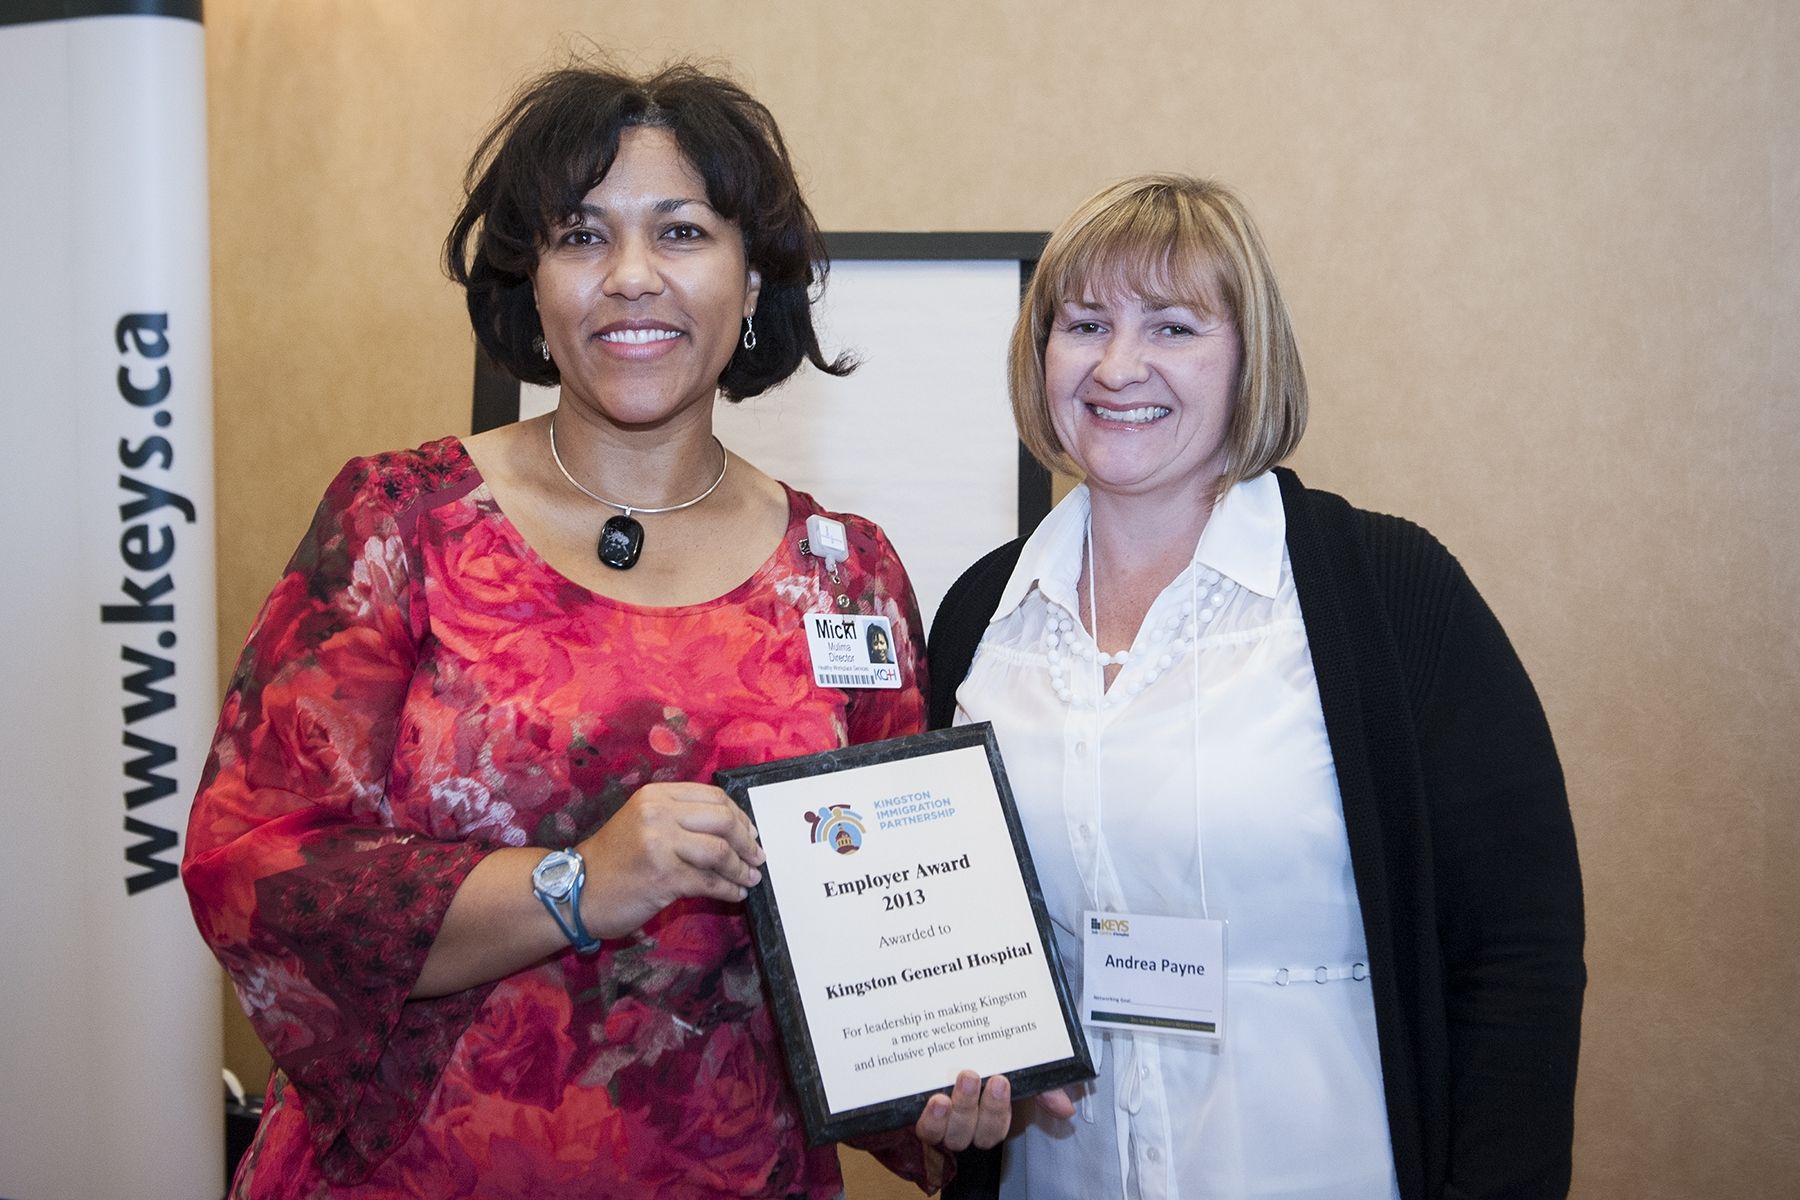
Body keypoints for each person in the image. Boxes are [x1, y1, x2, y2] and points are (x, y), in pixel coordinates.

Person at [182, 63, 986, 1199]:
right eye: (580, 236)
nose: (632, 277)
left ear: (753, 276)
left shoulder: (846, 576)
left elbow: (892, 928)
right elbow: (256, 867)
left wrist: (951, 1080)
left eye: (682, 231)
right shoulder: (403, 523)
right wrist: (575, 882)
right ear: (534, 283)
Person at [928, 175, 1585, 1199]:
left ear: (1248, 359)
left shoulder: (1388, 593)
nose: (1116, 364)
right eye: (1085, 322)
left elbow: (1519, 956)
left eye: (1175, 326)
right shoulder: (980, 616)